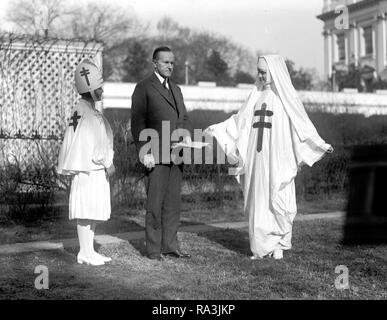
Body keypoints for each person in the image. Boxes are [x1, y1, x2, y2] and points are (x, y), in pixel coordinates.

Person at [205, 55, 333, 260]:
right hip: (256, 159)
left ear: (275, 71)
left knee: (278, 197)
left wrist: (317, 144)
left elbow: (300, 125)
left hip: (276, 159)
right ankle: (260, 248)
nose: (260, 75)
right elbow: (239, 122)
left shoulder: (285, 98)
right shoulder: (255, 95)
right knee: (257, 201)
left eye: (263, 71)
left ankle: (279, 244)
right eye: (259, 71)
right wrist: (217, 130)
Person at [131, 46, 193, 261]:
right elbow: (138, 125)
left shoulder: (176, 89)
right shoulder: (143, 88)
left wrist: (185, 135)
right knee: (155, 204)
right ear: (154, 63)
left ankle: (170, 245)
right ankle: (154, 249)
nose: (170, 66)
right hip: (155, 155)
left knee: (173, 204)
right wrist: (143, 152)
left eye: (172, 63)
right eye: (165, 62)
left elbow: (183, 117)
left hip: (177, 154)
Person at [57, 58, 115, 266]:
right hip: (89, 169)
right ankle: (84, 252)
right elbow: (96, 144)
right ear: (90, 91)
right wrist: (107, 162)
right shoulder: (85, 113)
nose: (102, 92)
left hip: (94, 170)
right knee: (86, 210)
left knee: (93, 211)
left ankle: (89, 250)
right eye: (99, 89)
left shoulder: (87, 111)